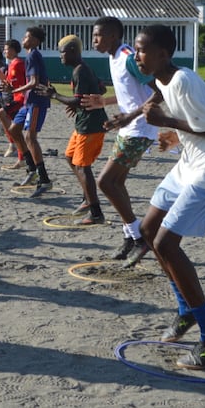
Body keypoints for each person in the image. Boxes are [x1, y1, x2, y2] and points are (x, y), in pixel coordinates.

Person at [133, 24, 205, 370]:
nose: (137, 55)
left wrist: (169, 124)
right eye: (135, 49)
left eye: (142, 50)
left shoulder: (182, 80)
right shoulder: (163, 81)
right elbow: (183, 116)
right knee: (149, 230)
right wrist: (174, 136)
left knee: (165, 244)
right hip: (189, 162)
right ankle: (185, 311)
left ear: (163, 54)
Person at [80, 16, 162, 261]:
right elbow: (131, 92)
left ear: (113, 36)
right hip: (129, 127)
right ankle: (130, 235)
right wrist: (104, 103)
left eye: (98, 35)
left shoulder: (129, 56)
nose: (93, 40)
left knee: (106, 182)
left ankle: (139, 237)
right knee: (116, 183)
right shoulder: (113, 57)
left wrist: (130, 116)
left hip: (141, 127)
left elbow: (159, 90)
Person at [46, 35, 108, 224]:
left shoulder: (80, 71)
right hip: (84, 122)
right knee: (70, 157)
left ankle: (96, 212)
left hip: (91, 124)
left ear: (72, 51)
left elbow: (78, 99)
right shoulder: (83, 69)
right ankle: (87, 199)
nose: (60, 57)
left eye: (62, 52)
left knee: (82, 166)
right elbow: (102, 89)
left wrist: (55, 94)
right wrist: (80, 103)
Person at [8, 26, 51, 198]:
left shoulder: (33, 55)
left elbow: (34, 82)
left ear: (34, 40)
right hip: (28, 101)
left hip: (36, 101)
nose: (23, 39)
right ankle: (32, 169)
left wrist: (14, 91)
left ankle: (44, 179)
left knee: (30, 137)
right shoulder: (29, 55)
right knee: (13, 130)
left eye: (26, 36)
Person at [0, 39, 28, 164]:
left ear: (14, 50)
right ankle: (19, 153)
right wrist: (4, 80)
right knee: (12, 125)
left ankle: (13, 145)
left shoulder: (17, 64)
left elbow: (18, 86)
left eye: (7, 49)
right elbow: (11, 85)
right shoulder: (11, 64)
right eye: (4, 49)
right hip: (16, 98)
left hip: (21, 99)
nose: (5, 51)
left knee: (2, 114)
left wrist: (7, 84)